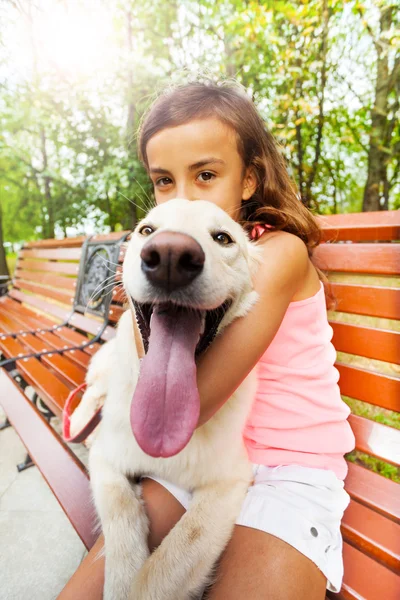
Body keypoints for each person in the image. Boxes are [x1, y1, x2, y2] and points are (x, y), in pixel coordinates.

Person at [59, 79, 355, 600]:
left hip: (290, 468)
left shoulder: (278, 253)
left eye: (206, 174)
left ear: (248, 181)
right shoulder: (161, 247)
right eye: (164, 182)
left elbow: (180, 411)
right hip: (201, 459)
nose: (184, 200)